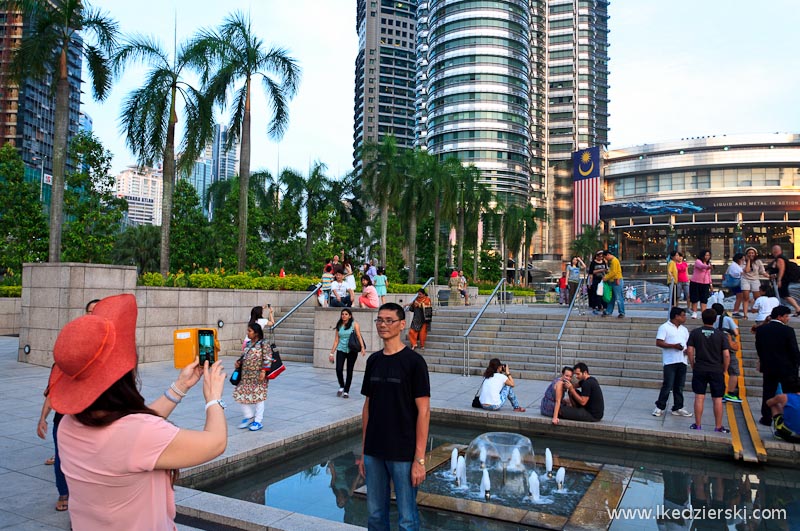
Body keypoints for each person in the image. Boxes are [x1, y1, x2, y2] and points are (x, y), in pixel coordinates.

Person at [48, 294, 227, 530]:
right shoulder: (138, 433)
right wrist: (213, 399)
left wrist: (180, 387)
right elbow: (215, 442)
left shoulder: (68, 426)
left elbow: (131, 428)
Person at [359, 303, 430, 531]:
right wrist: (363, 451)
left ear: (401, 325)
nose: (383, 325)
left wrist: (419, 459)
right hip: (374, 452)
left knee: (407, 518)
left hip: (403, 453)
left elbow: (424, 411)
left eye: (389, 320)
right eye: (379, 320)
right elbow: (368, 406)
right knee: (375, 515)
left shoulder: (414, 363)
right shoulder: (373, 361)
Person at [36, 298, 101, 512]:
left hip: (93, 417)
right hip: (65, 417)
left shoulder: (106, 349)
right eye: (90, 311)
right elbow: (52, 390)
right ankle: (64, 493)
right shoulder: (64, 362)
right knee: (62, 457)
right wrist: (42, 418)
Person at [755, 305, 800, 426]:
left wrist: (763, 361)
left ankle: (766, 417)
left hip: (769, 367)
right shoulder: (788, 331)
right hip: (787, 368)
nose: (788, 319)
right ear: (780, 317)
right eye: (786, 316)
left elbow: (759, 348)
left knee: (768, 392)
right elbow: (794, 350)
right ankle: (789, 418)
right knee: (789, 394)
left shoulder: (761, 330)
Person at [686, 309, 730, 433]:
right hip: (716, 369)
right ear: (715, 319)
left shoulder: (695, 333)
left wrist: (693, 364)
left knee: (699, 397)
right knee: (717, 399)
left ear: (702, 318)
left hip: (700, 368)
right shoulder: (721, 334)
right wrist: (725, 369)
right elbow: (726, 355)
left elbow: (690, 350)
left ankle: (698, 424)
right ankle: (718, 426)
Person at [652, 307, 692, 417]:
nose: (684, 318)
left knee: (679, 385)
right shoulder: (664, 327)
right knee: (668, 385)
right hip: (670, 361)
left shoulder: (684, 329)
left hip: (682, 360)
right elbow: (659, 342)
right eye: (683, 315)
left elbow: (687, 344)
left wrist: (687, 351)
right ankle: (660, 406)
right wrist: (673, 346)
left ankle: (678, 407)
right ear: (676, 316)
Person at [234, 322, 272, 431]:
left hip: (258, 375)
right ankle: (249, 416)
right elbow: (244, 356)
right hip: (246, 375)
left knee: (259, 397)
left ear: (256, 333)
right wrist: (238, 362)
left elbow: (268, 358)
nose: (248, 333)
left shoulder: (264, 343)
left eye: (249, 331)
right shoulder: (248, 344)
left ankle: (258, 421)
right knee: (240, 395)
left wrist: (263, 371)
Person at [329, 309, 366, 399]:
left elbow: (358, 336)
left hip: (351, 350)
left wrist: (362, 347)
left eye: (346, 314)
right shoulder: (339, 325)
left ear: (350, 316)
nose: (344, 316)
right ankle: (342, 385)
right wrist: (331, 353)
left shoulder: (354, 324)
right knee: (338, 369)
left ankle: (346, 391)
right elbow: (336, 340)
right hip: (341, 349)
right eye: (342, 314)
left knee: (349, 370)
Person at [711, 302, 741, 403]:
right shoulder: (727, 319)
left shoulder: (712, 319)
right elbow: (736, 332)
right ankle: (731, 394)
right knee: (734, 371)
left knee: (719, 371)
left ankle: (719, 393)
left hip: (715, 348)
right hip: (728, 348)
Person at [766, 244, 800, 315]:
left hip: (783, 280)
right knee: (784, 295)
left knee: (785, 295)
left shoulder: (780, 259)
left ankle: (797, 308)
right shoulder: (779, 259)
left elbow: (782, 270)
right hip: (783, 279)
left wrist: (779, 280)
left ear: (775, 251)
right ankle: (797, 309)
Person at [736, 246, 767, 317]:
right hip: (745, 279)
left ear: (755, 254)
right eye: (749, 253)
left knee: (757, 297)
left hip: (755, 279)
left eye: (752, 253)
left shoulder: (758, 262)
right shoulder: (743, 261)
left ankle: (760, 312)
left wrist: (769, 276)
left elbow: (762, 271)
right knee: (746, 297)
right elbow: (746, 270)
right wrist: (748, 261)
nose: (751, 254)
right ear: (746, 254)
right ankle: (745, 314)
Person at [689, 250, 713, 319]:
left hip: (705, 283)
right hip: (696, 282)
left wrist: (710, 284)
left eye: (708, 255)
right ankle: (694, 312)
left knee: (704, 298)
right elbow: (702, 266)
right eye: (706, 255)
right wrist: (708, 267)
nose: (707, 257)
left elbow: (709, 274)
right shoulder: (698, 261)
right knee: (695, 298)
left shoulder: (709, 263)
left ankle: (703, 313)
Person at [602, 250, 625, 318]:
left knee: (618, 297)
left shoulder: (614, 261)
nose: (606, 259)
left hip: (616, 281)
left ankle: (621, 312)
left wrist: (606, 277)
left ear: (608, 255)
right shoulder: (612, 261)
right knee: (612, 297)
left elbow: (614, 272)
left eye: (605, 257)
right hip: (613, 281)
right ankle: (608, 311)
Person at [587, 250, 608, 315]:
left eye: (602, 257)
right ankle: (595, 306)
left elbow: (606, 270)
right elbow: (591, 273)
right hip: (596, 279)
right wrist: (590, 282)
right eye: (599, 256)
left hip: (603, 279)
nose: (600, 258)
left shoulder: (604, 262)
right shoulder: (593, 263)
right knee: (595, 293)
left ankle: (603, 306)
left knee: (603, 293)